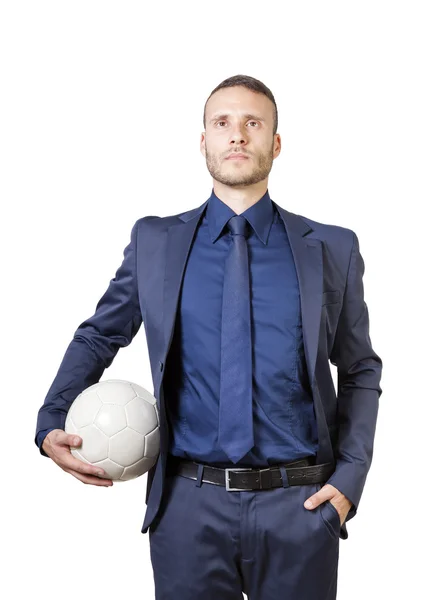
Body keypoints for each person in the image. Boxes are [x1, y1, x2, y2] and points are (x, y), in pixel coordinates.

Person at [35, 74, 383, 599]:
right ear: (204, 142)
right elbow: (98, 336)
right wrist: (49, 420)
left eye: (253, 123)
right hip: (186, 509)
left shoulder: (331, 248)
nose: (237, 135)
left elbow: (359, 368)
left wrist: (350, 480)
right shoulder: (155, 241)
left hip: (302, 508)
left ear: (276, 142)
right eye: (223, 123)